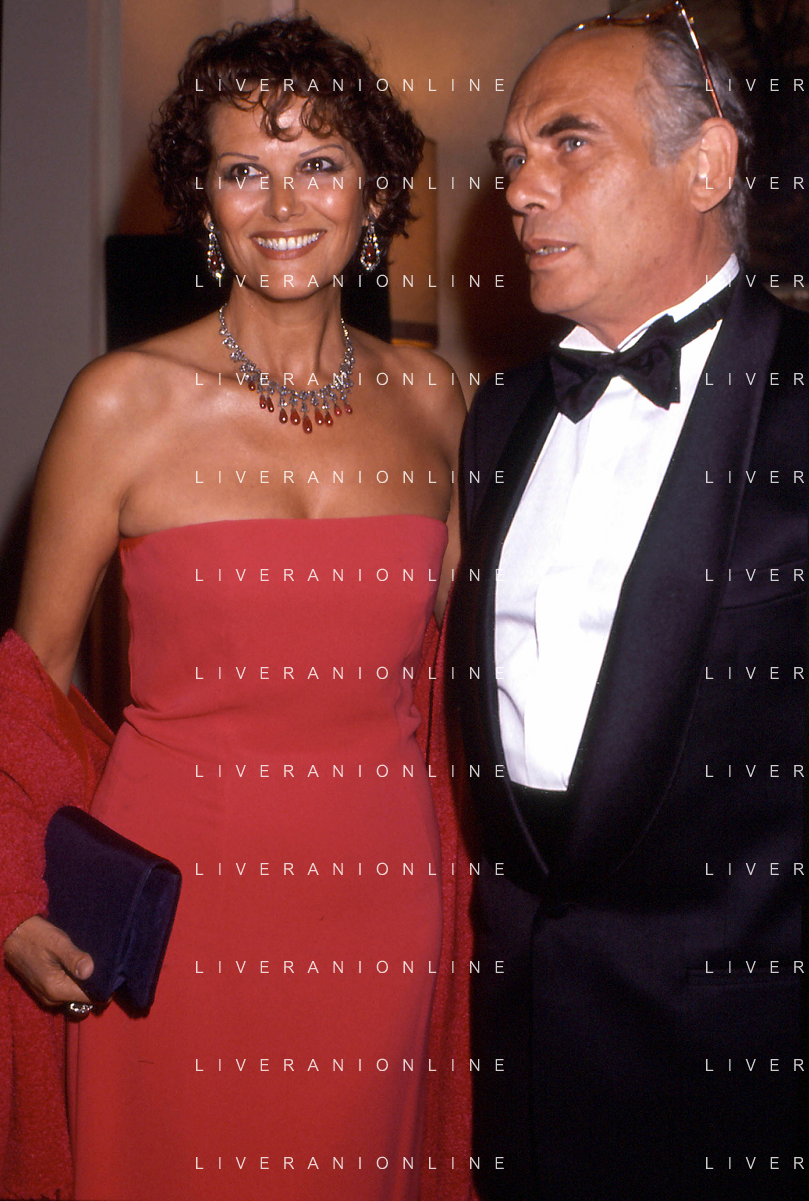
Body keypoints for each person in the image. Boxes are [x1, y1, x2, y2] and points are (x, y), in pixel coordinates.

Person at [1, 15, 466, 1200]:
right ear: (201, 199)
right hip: (176, 906)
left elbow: (466, 676)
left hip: (381, 903)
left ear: (373, 191)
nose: (281, 202)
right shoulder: (121, 402)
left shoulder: (435, 398)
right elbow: (27, 680)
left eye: (319, 162)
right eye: (242, 169)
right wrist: (14, 892)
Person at [449, 6, 805, 1200]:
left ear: (704, 166)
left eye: (568, 143)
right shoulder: (497, 417)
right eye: (511, 159)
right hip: (521, 1064)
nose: (519, 190)